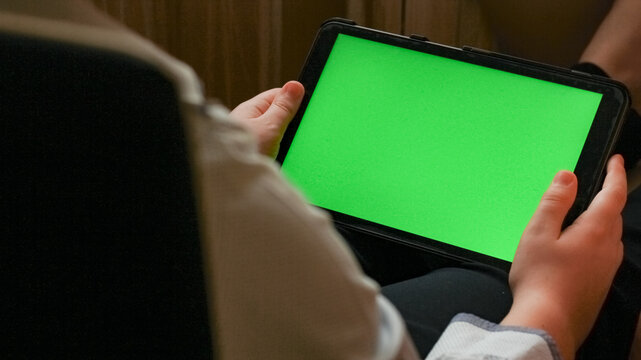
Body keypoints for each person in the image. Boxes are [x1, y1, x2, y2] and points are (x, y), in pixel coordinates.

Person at [4, 1, 639, 359]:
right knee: (508, 278)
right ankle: (611, 90)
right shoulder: (116, 88)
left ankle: (603, 86)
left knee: (365, 232)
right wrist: (549, 311)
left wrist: (198, 176)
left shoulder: (73, 81)